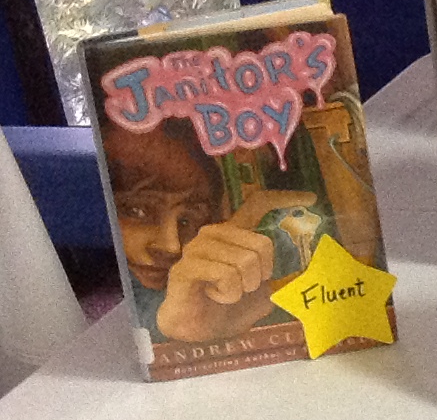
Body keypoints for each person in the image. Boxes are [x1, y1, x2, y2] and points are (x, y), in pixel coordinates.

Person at [102, 116, 303, 344]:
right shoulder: (108, 277)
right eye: (137, 211)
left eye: (187, 220)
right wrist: (172, 325)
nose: (172, 246)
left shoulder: (272, 241)